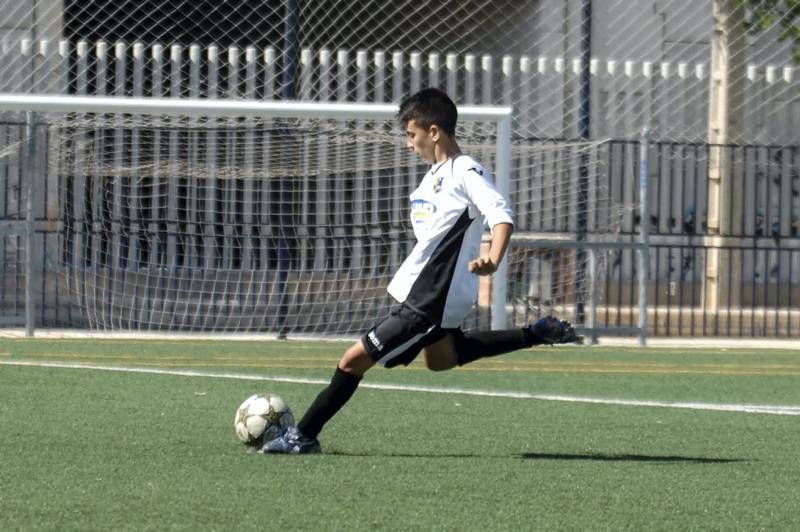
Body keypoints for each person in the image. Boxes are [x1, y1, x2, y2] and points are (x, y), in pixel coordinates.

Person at [263, 88, 580, 454]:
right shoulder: (433, 176)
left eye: (412, 135)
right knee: (442, 359)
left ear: (434, 132)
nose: (408, 144)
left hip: (430, 298)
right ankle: (534, 334)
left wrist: (493, 256)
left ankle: (303, 435)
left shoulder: (465, 169)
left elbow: (500, 212)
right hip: (433, 294)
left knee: (353, 361)